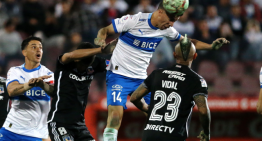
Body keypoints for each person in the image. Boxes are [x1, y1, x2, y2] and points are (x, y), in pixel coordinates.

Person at [94, 0, 228, 140]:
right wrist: (101, 39)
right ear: (160, 12)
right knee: (115, 117)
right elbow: (105, 30)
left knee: (159, 117)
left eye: (175, 21)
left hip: (141, 78)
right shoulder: (134, 20)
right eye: (171, 19)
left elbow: (187, 43)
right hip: (118, 75)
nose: (171, 24)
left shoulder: (166, 29)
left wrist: (211, 46)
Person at [130, 35, 211, 141]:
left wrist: (146, 109)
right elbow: (203, 111)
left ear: (174, 55)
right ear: (195, 56)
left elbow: (134, 97)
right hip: (173, 136)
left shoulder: (157, 74)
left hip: (150, 135)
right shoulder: (197, 81)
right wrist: (206, 132)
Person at [47, 39, 117, 141]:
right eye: (82, 65)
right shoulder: (65, 62)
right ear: (77, 59)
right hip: (60, 123)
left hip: (80, 126)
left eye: (87, 65)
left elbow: (117, 66)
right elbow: (70, 55)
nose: (83, 68)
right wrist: (101, 50)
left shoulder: (96, 62)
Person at [0, 36, 54, 141]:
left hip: (34, 134)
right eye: (34, 47)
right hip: (10, 130)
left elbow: (55, 93)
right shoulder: (15, 71)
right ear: (24, 52)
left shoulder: (48, 74)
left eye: (41, 47)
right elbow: (11, 91)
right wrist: (29, 84)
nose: (39, 49)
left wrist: (43, 85)